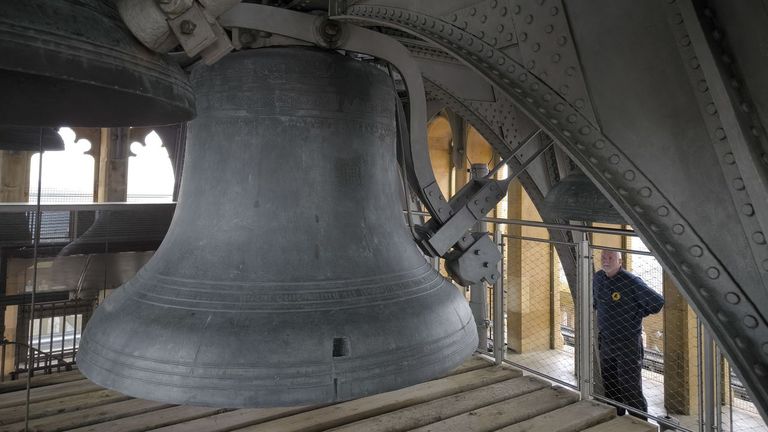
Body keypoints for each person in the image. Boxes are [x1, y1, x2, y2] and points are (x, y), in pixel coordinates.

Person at [593, 250, 664, 418]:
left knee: (630, 388)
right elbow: (595, 302)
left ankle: (640, 424)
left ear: (620, 261)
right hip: (606, 340)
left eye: (611, 258)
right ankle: (617, 420)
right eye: (604, 257)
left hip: (628, 343)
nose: (606, 260)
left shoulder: (631, 282)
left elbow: (657, 302)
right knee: (610, 385)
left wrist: (637, 313)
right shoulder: (598, 278)